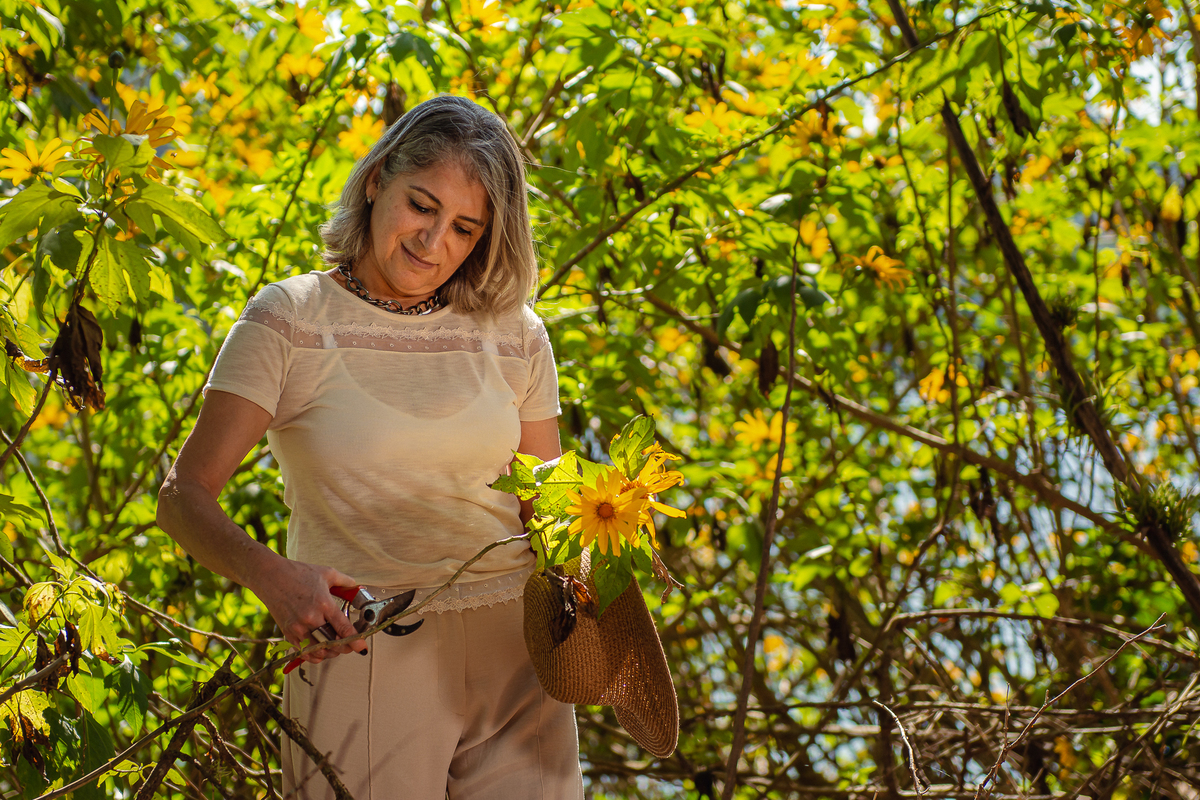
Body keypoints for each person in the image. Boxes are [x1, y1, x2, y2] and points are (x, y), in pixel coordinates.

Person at [156, 95, 584, 799]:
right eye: (422, 205)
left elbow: (549, 500)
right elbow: (182, 497)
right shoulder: (289, 319)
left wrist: (606, 554)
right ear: (379, 177)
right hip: (366, 648)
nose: (433, 241)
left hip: (520, 656)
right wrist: (273, 578)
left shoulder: (515, 331)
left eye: (464, 228)